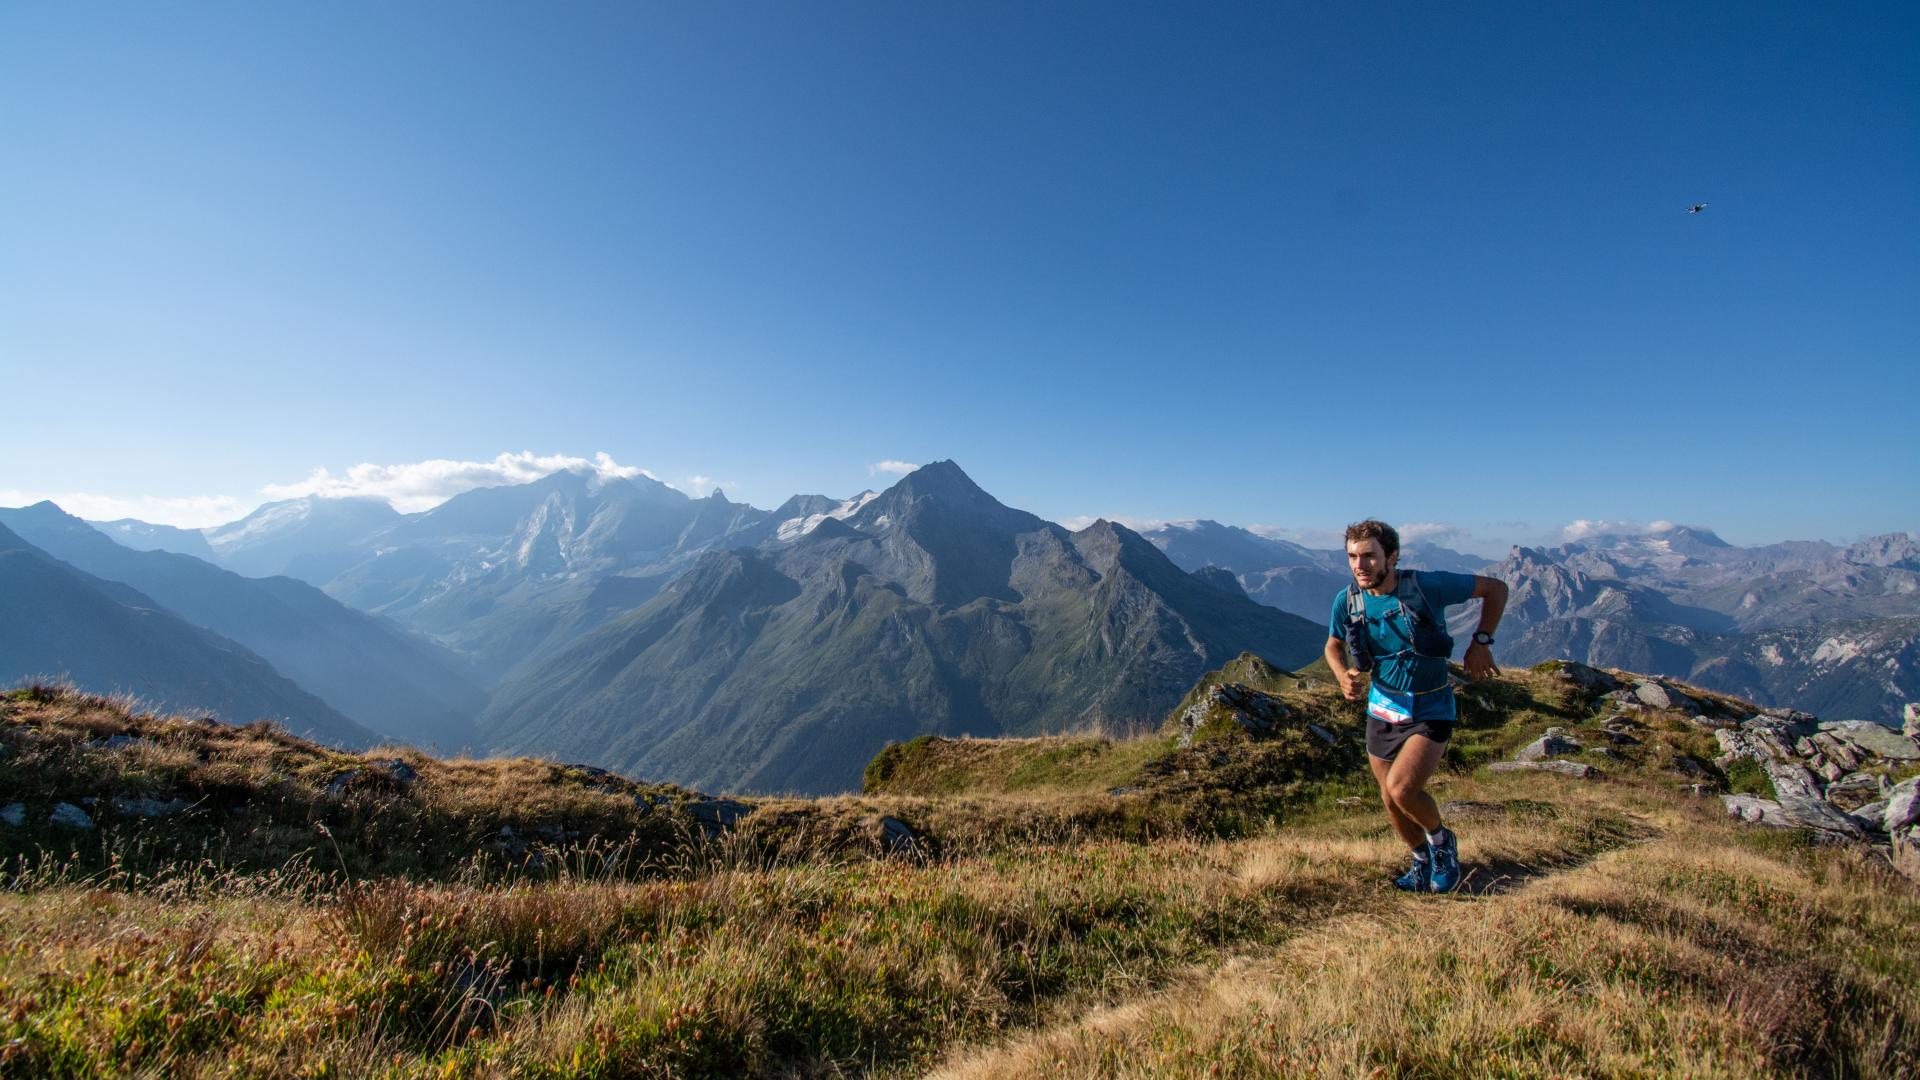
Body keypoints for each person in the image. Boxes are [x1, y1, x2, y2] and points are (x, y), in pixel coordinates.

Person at [1324, 520, 1507, 893]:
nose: (1360, 565)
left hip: (1430, 707)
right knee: (1389, 798)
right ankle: (1420, 862)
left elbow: (1496, 588)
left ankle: (1442, 845)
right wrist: (1342, 675)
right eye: (1353, 557)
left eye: (1370, 557)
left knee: (1403, 790)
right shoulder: (1348, 600)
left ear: (1392, 556)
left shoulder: (1427, 586)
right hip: (1382, 709)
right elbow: (1332, 645)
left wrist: (1482, 641)